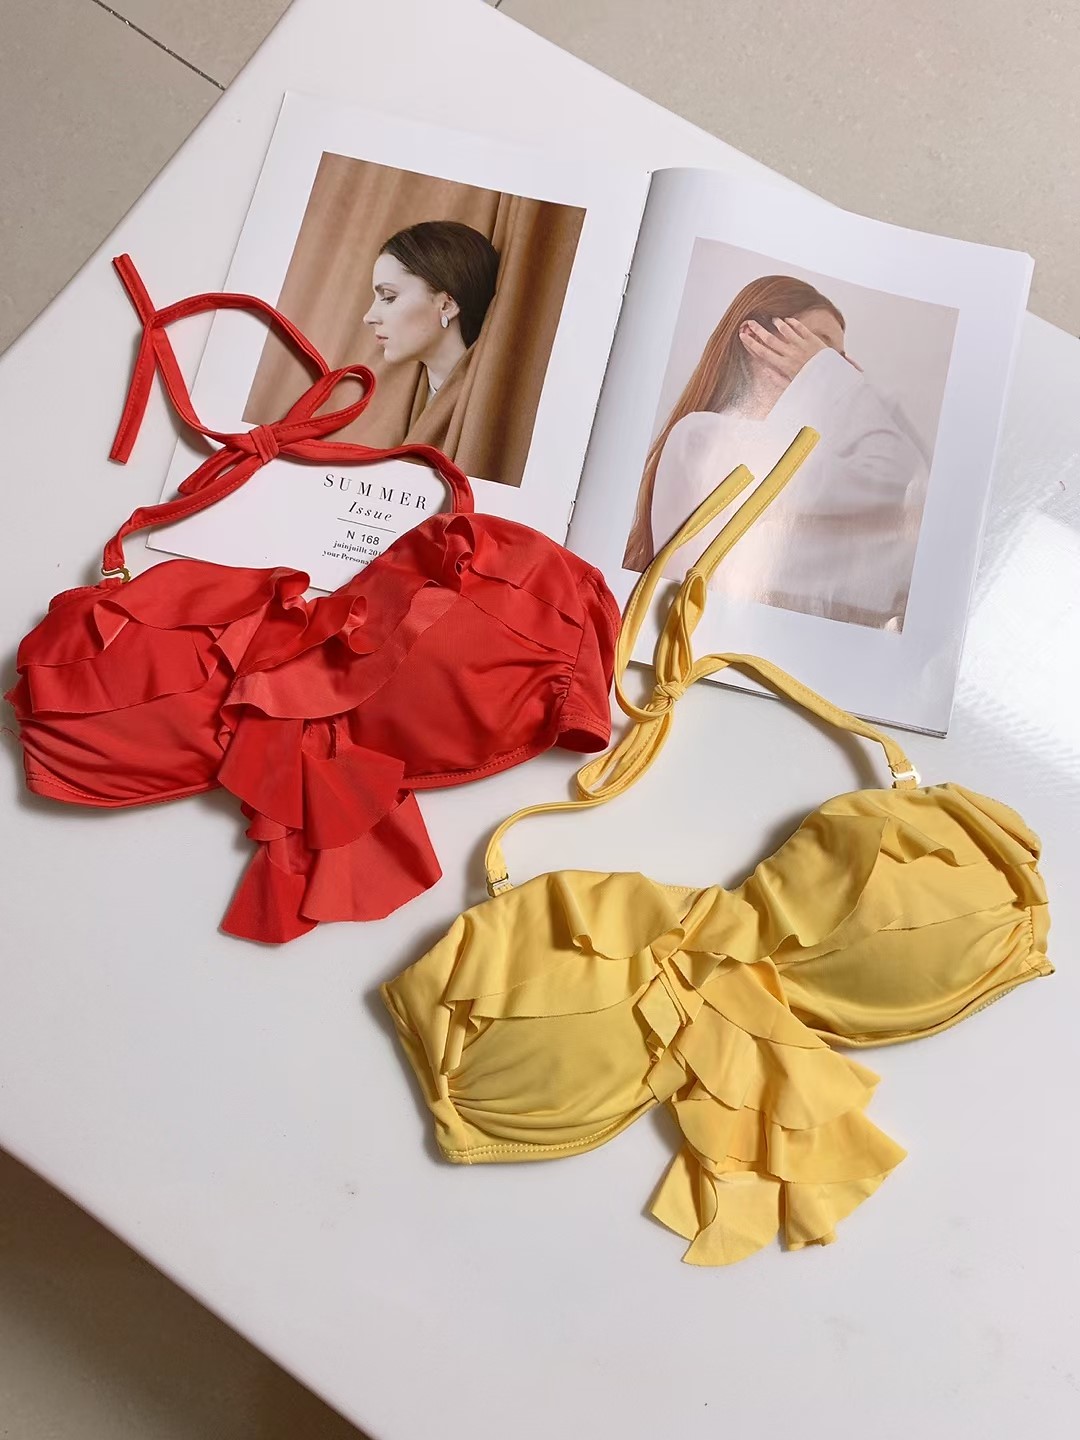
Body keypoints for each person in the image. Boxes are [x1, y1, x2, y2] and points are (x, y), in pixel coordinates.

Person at [624, 275, 930, 630]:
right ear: (755, 338)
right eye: (820, 350)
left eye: (836, 360)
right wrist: (847, 389)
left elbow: (911, 499)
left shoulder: (813, 470)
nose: (834, 368)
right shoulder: (703, 438)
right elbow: (897, 479)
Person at [363, 220, 499, 404]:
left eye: (389, 297)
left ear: (446, 306)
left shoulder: (493, 398)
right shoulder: (394, 401)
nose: (368, 317)